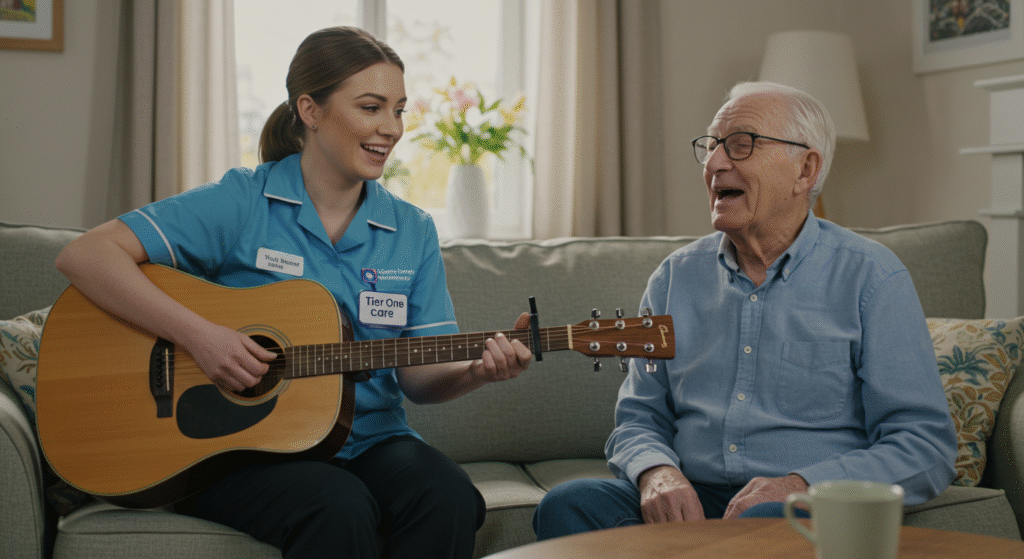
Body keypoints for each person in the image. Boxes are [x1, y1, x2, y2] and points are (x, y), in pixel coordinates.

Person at [55, 26, 532, 559]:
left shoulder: (412, 230)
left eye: (399, 110)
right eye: (371, 107)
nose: (391, 129)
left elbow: (419, 380)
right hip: (238, 449)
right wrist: (203, 337)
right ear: (309, 109)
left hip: (370, 440)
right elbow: (85, 255)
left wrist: (475, 372)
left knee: (448, 496)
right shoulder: (242, 200)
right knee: (337, 506)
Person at [532, 81, 957, 538]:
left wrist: (800, 486)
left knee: (763, 527)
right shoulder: (675, 278)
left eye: (740, 145)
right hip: (693, 500)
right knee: (568, 506)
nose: (715, 163)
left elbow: (924, 445)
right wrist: (656, 472)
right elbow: (640, 416)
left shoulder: (871, 278)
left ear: (805, 170)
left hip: (802, 505)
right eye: (711, 146)